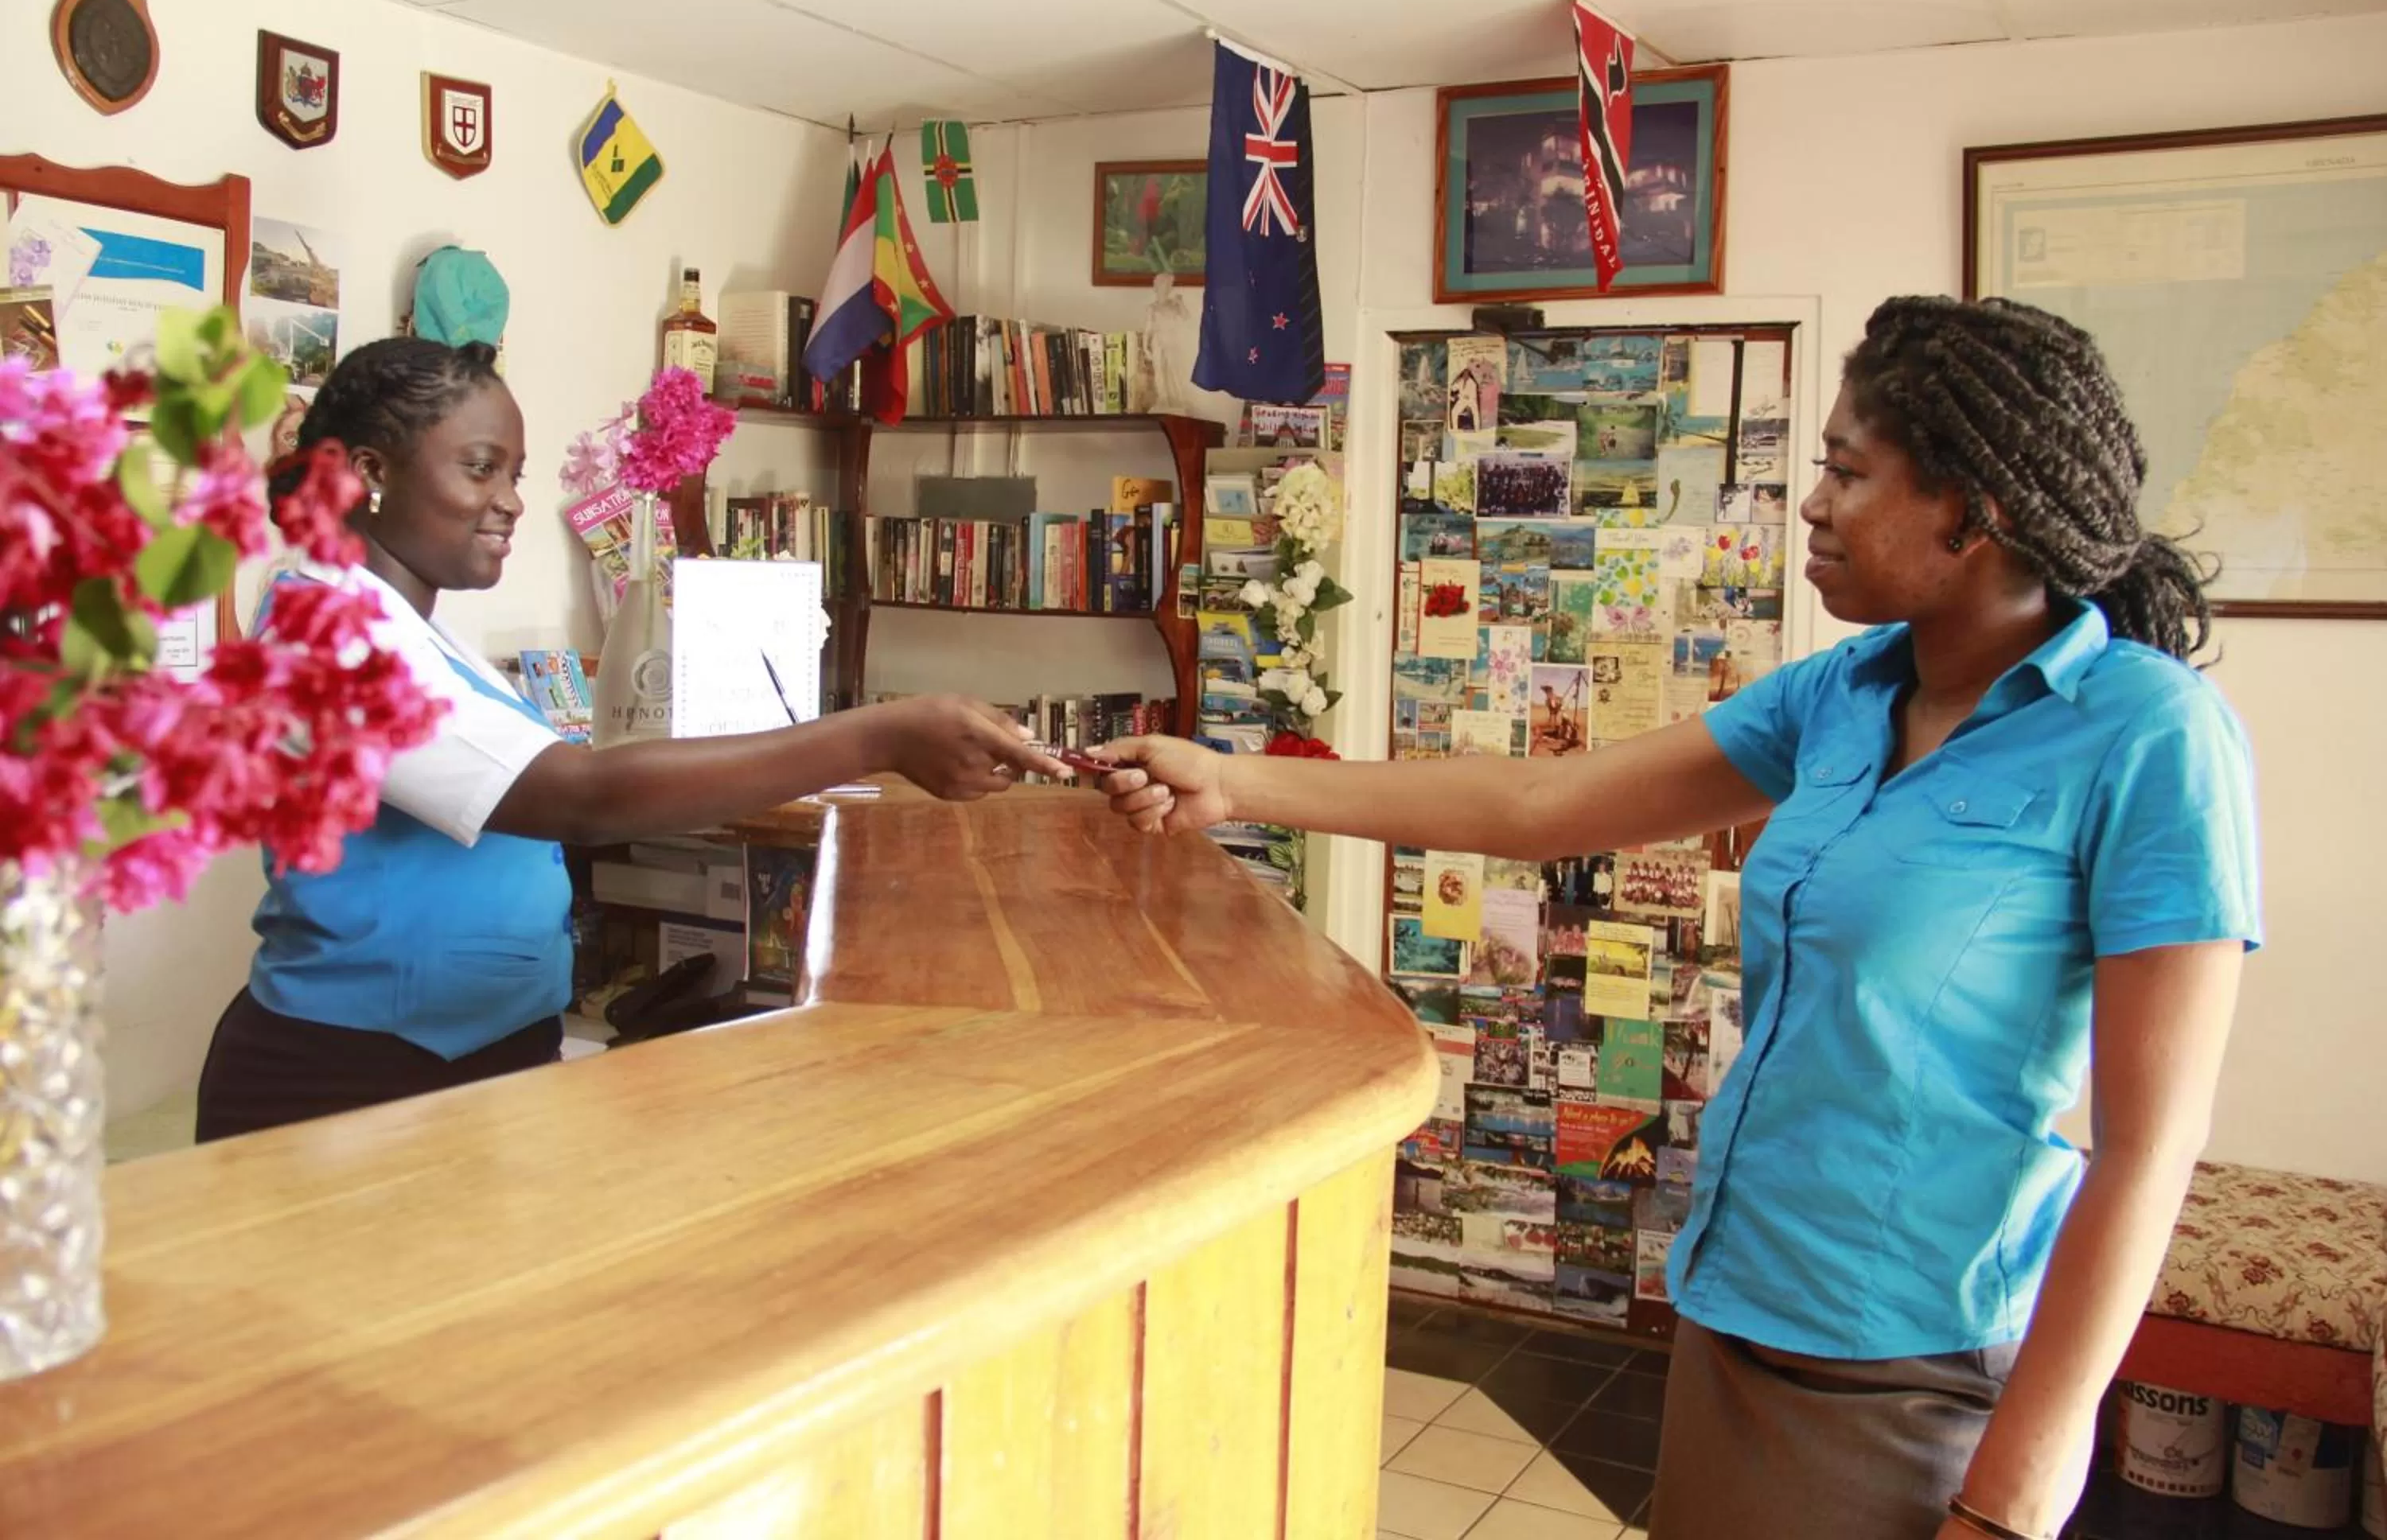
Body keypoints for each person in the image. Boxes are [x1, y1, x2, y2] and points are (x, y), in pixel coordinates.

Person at [1095, 296, 2259, 1540]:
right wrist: (1231, 782)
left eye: (1848, 472)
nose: (1811, 504)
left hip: (1914, 1367)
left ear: (1975, 513)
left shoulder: (2148, 735)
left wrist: (2016, 1493)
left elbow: (2149, 1148)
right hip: (1731, 1308)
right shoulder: (1844, 694)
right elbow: (1542, 804)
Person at [195, 337, 1063, 1144]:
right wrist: (878, 735)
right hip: (353, 1081)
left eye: (515, 473)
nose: (511, 500)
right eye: (481, 467)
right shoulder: (331, 641)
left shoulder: (402, 625)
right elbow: (578, 796)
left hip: (459, 1064)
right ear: (370, 473)